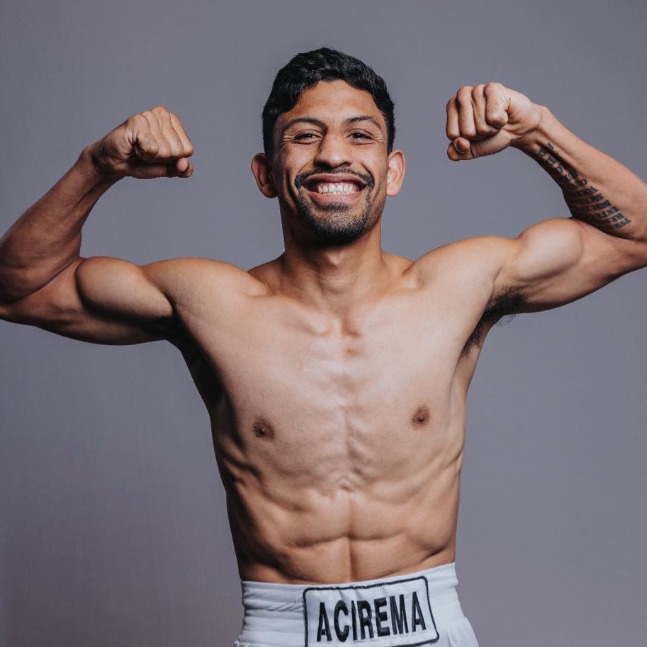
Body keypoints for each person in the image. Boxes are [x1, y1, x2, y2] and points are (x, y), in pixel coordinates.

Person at [1, 47, 646, 647]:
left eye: (360, 135)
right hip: (283, 630)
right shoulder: (210, 304)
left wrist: (536, 130)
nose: (334, 154)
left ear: (393, 170)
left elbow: (635, 234)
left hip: (430, 627)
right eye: (304, 136)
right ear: (265, 173)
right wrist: (98, 165)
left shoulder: (458, 288)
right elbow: (21, 289)